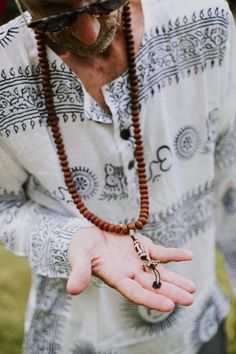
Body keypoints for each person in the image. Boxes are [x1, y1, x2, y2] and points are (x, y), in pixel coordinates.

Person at [0, 0, 235, 353]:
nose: (88, 32)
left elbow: (230, 167)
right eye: (55, 16)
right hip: (77, 338)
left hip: (196, 324)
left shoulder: (203, 16)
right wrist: (70, 240)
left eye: (104, 3)